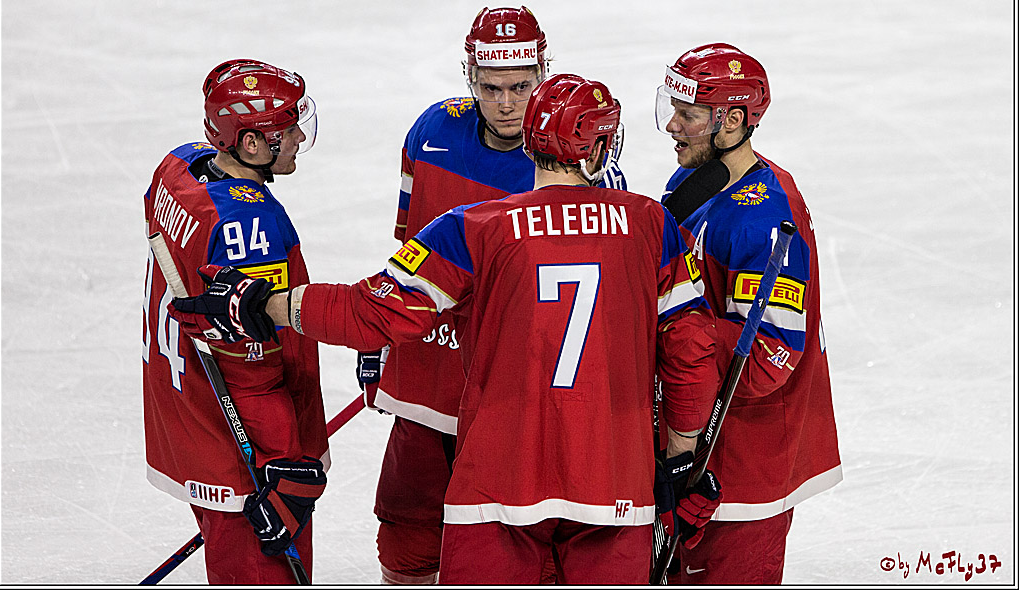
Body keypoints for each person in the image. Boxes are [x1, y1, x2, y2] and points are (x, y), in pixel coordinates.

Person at [169, 74, 722, 584]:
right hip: (614, 483)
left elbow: (372, 313)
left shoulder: (473, 227)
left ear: (528, 142)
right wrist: (680, 454)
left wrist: (266, 302)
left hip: (497, 483)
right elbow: (691, 349)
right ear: (601, 149)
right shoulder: (655, 225)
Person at [357, 6, 626, 584]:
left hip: (517, 377)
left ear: (543, 72)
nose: (506, 103)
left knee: (522, 524)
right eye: (490, 88)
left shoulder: (577, 152)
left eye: (521, 88)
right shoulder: (431, 133)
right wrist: (381, 331)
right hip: (429, 357)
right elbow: (406, 236)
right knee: (409, 514)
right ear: (469, 77)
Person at [654, 43, 843, 584]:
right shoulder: (691, 186)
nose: (672, 125)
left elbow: (768, 356)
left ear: (732, 120)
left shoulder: (764, 219)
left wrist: (671, 330)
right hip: (693, 444)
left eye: (687, 115)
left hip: (743, 468)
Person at [142, 59, 328, 584]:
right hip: (243, 443)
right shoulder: (248, 225)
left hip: (186, 410)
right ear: (250, 145)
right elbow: (252, 364)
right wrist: (282, 462)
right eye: (286, 129)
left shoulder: (177, 168)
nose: (296, 137)